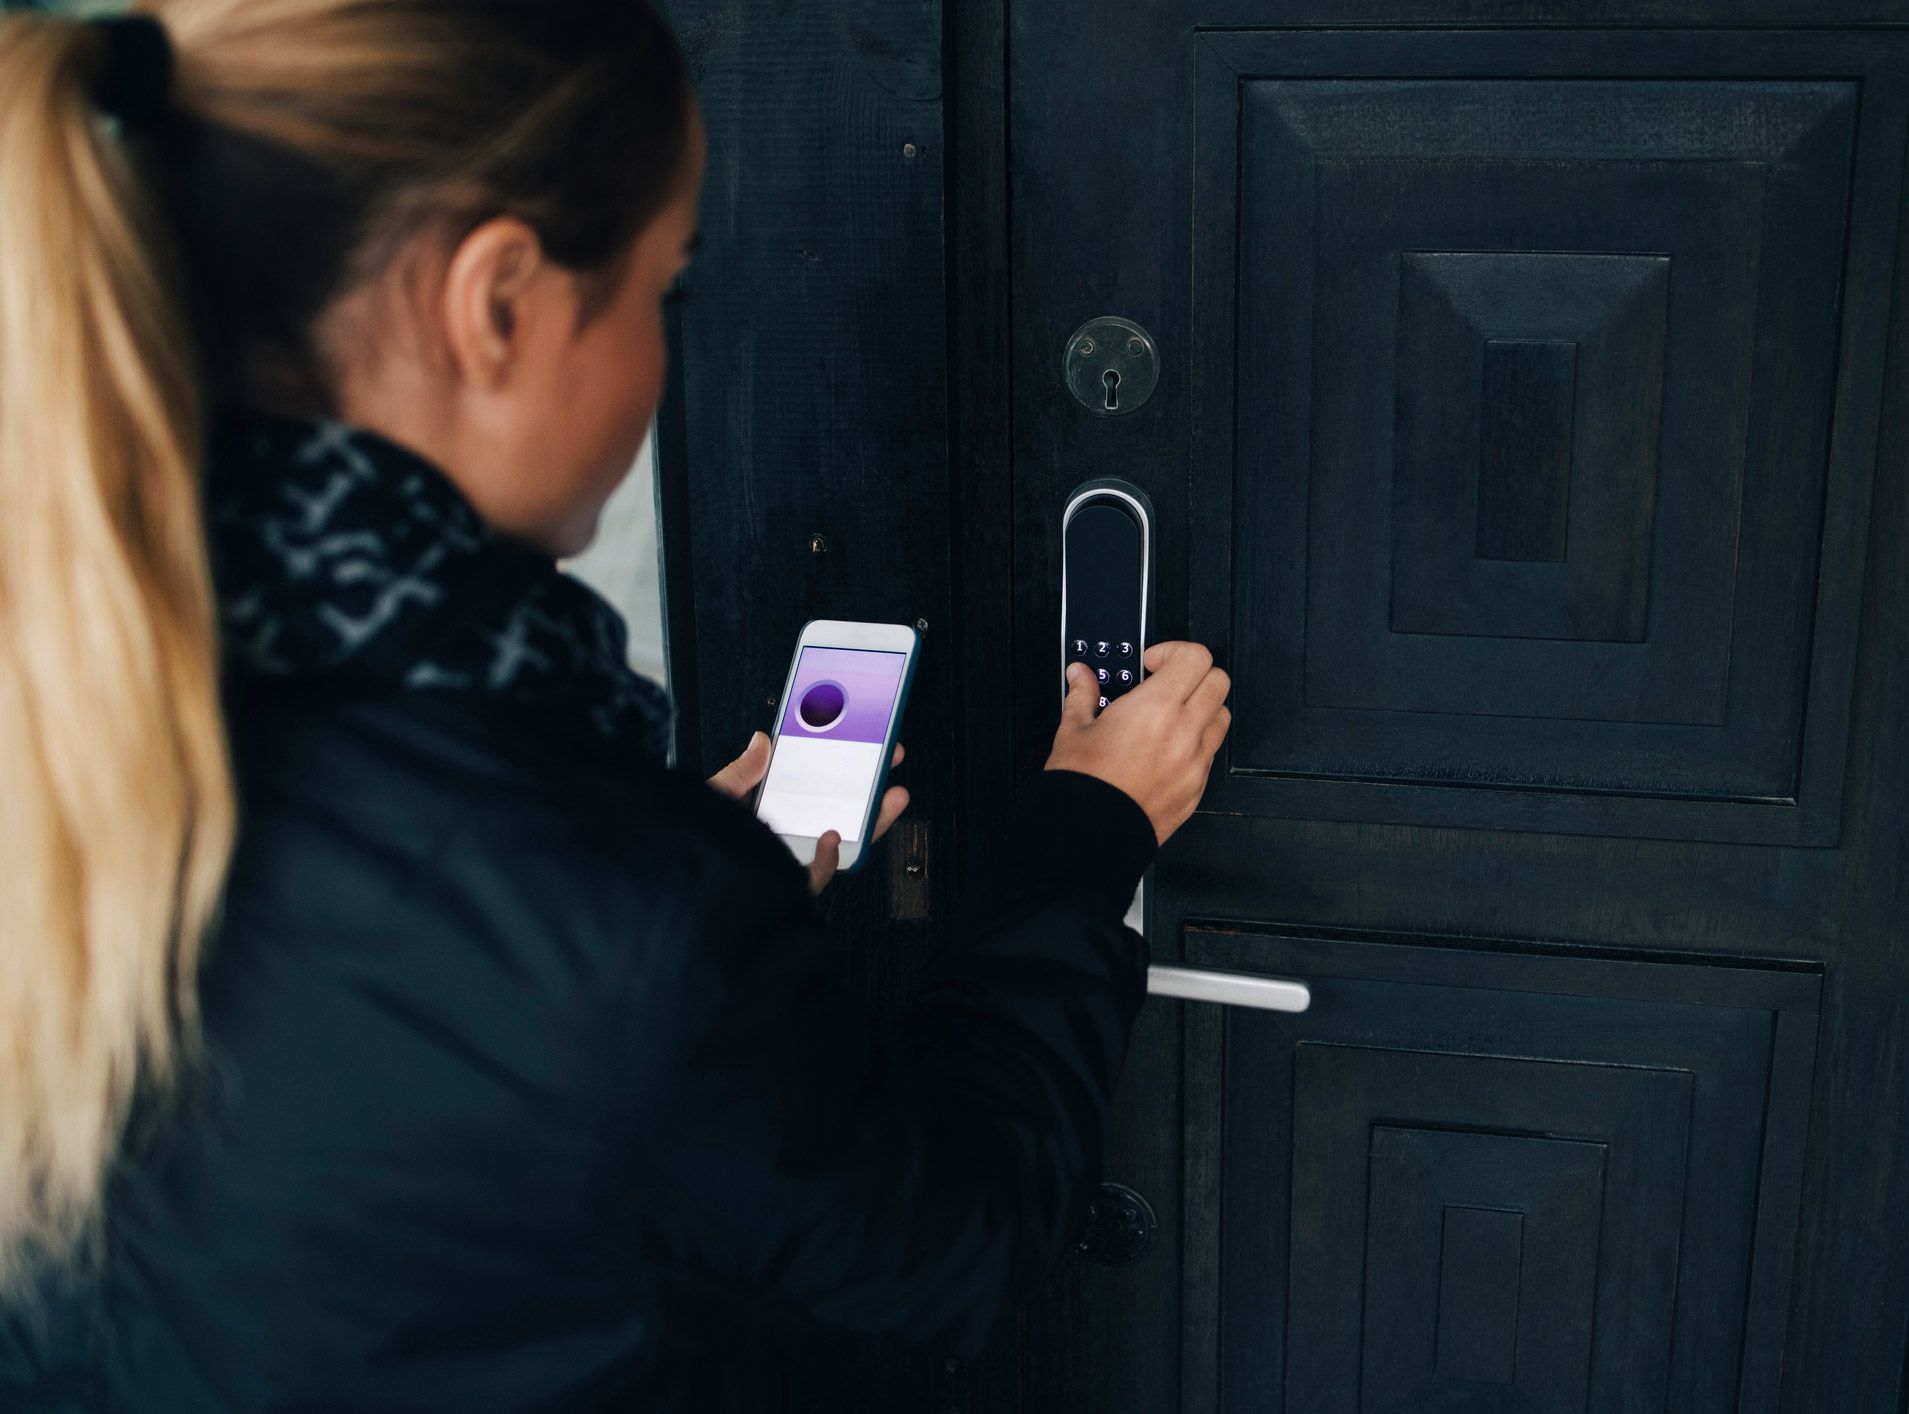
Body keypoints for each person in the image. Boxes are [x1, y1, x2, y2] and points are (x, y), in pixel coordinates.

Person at [0, 2, 1232, 1409]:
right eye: (665, 288)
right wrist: (1086, 835)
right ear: (498, 304)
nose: (660, 355)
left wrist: (654, 905)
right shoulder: (600, 909)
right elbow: (950, 1244)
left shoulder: (71, 719)